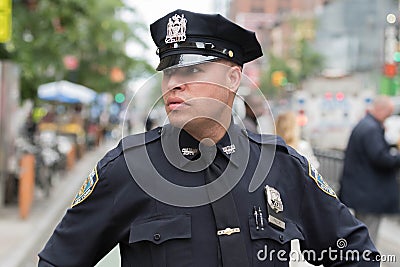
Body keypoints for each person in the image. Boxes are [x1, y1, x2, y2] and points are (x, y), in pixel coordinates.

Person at [38, 9, 379, 266]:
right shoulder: (129, 167)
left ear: (233, 78)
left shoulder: (281, 165)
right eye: (168, 71)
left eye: (192, 70)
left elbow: (357, 254)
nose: (173, 83)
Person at [339, 95, 400, 244]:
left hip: (362, 193)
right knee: (368, 239)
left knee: (362, 234)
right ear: (381, 110)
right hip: (369, 196)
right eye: (388, 113)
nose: (388, 117)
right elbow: (380, 158)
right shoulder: (371, 129)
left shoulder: (365, 125)